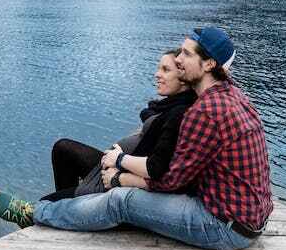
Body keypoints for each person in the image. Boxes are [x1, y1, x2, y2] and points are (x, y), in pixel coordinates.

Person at [0, 26, 273, 250]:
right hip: (246, 217)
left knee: (121, 202)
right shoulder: (231, 94)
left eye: (186, 54)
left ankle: (34, 214)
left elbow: (169, 180)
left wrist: (120, 178)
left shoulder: (206, 111)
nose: (178, 59)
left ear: (209, 63)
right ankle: (54, 214)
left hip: (222, 226)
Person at [40, 49, 197, 202]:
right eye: (159, 68)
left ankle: (68, 206)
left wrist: (119, 160)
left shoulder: (178, 114)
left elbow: (157, 167)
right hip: (116, 167)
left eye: (165, 70)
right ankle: (69, 205)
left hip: (118, 178)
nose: (157, 74)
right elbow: (151, 119)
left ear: (183, 78)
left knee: (45, 203)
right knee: (62, 148)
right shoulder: (169, 107)